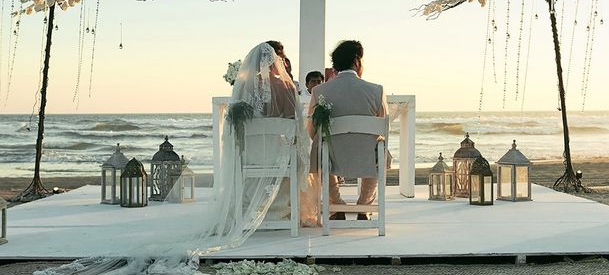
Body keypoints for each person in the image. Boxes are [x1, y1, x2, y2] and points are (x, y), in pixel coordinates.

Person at [45, 42, 311, 274]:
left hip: (250, 159)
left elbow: (234, 132)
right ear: (276, 62)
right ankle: (279, 210)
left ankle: (252, 209)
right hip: (277, 158)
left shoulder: (244, 88)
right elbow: (293, 125)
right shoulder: (287, 87)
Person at [308, 40, 387, 221]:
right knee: (379, 149)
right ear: (357, 62)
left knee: (321, 149)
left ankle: (337, 206)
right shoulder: (376, 90)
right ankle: (364, 206)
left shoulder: (319, 90)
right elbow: (382, 128)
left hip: (333, 157)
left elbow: (312, 131)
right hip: (366, 157)